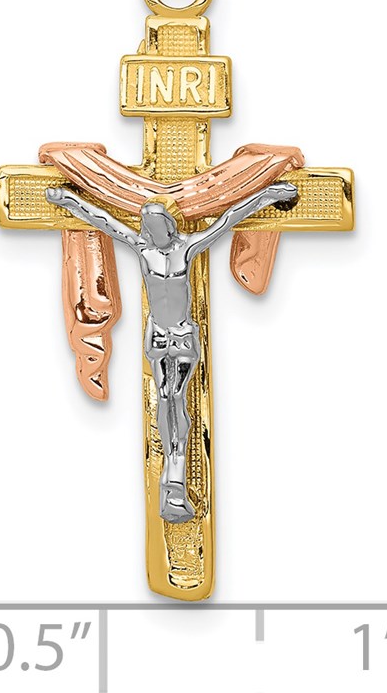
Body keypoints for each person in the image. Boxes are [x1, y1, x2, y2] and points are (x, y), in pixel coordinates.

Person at [47, 181, 298, 522]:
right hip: (158, 337)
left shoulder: (187, 247)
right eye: (148, 226)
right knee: (164, 397)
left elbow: (230, 217)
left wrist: (267, 196)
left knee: (175, 396)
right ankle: (171, 468)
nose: (153, 232)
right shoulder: (142, 248)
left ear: (169, 225)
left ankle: (175, 468)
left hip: (181, 336)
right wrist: (69, 200)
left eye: (158, 225)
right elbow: (103, 219)